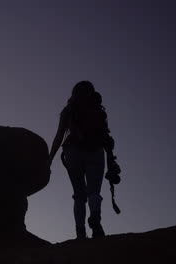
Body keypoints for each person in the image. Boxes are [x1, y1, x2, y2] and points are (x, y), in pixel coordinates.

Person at [48, 80, 120, 239]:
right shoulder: (98, 110)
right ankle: (96, 219)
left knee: (79, 195)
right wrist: (111, 160)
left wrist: (50, 158)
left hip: (73, 152)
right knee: (94, 191)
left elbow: (59, 135)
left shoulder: (69, 110)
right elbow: (105, 136)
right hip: (96, 151)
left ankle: (80, 232)